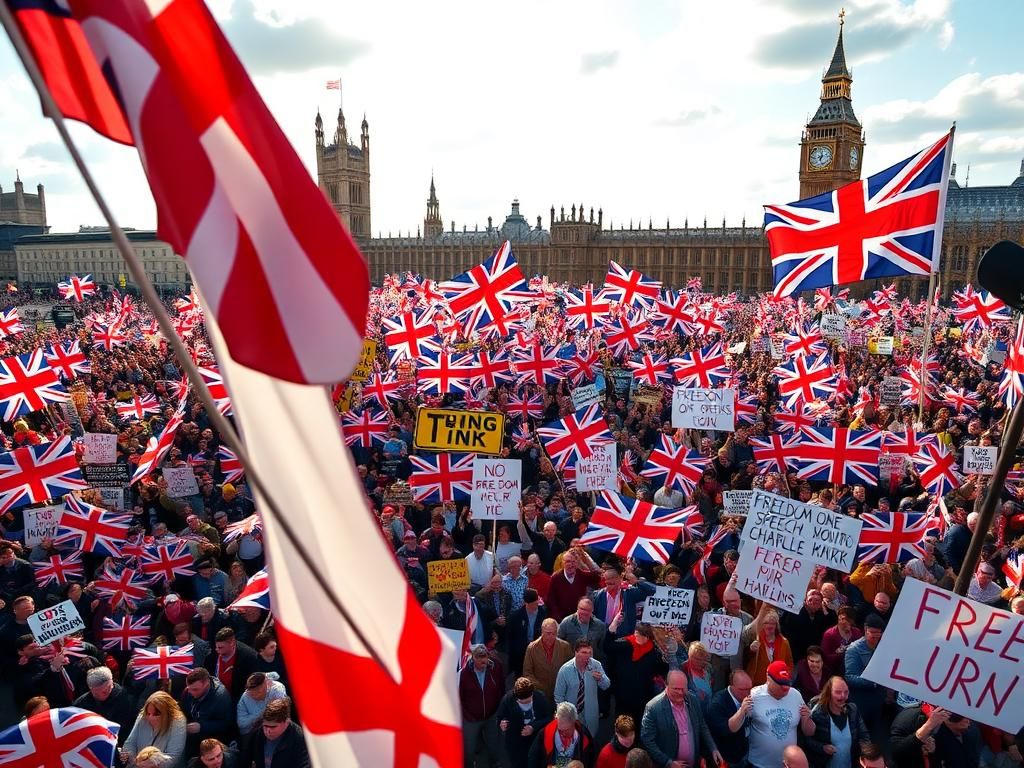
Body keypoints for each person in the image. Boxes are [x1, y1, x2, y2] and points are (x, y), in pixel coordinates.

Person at [640, 669, 722, 768]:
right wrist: (668, 763)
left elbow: (702, 725)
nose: (680, 692)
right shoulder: (653, 708)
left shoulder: (693, 700)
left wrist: (713, 748)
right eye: (676, 689)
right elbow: (647, 740)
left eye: (683, 689)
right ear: (666, 685)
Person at [747, 660, 815, 768]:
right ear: (768, 679)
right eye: (780, 684)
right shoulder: (754, 696)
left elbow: (809, 732)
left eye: (787, 683)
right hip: (759, 764)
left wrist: (807, 719)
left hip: (787, 765)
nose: (785, 689)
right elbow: (738, 728)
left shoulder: (796, 695)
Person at [605, 622, 668, 726]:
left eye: (642, 634)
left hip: (643, 696)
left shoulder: (654, 651)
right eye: (637, 633)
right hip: (623, 695)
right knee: (622, 725)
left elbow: (662, 669)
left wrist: (668, 652)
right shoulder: (625, 643)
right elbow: (608, 647)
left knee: (639, 724)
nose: (638, 636)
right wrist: (613, 627)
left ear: (648, 637)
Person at [805, 676, 870, 768]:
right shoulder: (817, 714)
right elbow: (807, 740)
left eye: (846, 692)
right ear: (829, 693)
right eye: (838, 692)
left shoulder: (853, 710)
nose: (843, 696)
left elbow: (864, 735)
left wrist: (867, 753)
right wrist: (822, 748)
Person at [890, 703, 981, 768]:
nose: (968, 725)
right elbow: (895, 752)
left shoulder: (971, 731)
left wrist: (932, 752)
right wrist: (924, 731)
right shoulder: (908, 718)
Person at [458, 643, 505, 767]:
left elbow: (501, 688)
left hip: (491, 716)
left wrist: (498, 711)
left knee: (494, 743)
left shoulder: (496, 667)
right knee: (469, 748)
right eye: (479, 659)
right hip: (471, 719)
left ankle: (495, 763)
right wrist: (466, 715)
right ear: (473, 658)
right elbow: (459, 697)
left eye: (485, 658)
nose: (483, 662)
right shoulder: (464, 674)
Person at [553, 638, 610, 739]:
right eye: (584, 652)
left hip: (591, 712)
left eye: (589, 652)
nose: (587, 656)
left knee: (590, 740)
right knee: (573, 740)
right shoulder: (565, 670)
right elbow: (559, 696)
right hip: (572, 714)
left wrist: (601, 678)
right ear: (576, 652)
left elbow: (606, 685)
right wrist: (562, 715)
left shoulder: (596, 665)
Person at [496, 677, 552, 768]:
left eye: (528, 701)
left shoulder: (540, 698)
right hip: (516, 744)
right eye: (521, 702)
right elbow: (500, 717)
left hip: (536, 741)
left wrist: (533, 727)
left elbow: (549, 718)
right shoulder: (507, 700)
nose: (525, 704)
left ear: (532, 694)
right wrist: (502, 723)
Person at [844, 614, 886, 734]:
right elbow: (850, 677)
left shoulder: (882, 646)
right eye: (872, 633)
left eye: (878, 634)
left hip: (878, 699)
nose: (875, 637)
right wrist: (872, 681)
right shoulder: (854, 649)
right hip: (861, 701)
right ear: (865, 629)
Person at [74, 666, 137, 746]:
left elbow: (130, 728)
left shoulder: (126, 699)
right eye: (98, 692)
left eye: (108, 688)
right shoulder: (80, 706)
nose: (105, 692)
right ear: (91, 688)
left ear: (111, 682)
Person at [122, 691, 188, 768]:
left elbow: (174, 756)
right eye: (148, 713)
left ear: (167, 714)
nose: (150, 717)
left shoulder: (178, 722)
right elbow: (130, 743)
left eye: (156, 714)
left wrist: (152, 764)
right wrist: (135, 762)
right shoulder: (142, 717)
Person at [179, 667, 234, 758]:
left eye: (196, 690)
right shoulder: (187, 692)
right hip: (191, 736)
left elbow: (225, 724)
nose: (191, 693)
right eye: (189, 689)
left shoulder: (220, 698)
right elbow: (183, 710)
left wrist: (202, 726)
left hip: (213, 739)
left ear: (206, 683)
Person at [240, 697, 310, 768]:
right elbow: (245, 758)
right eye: (265, 726)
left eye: (273, 727)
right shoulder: (257, 730)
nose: (268, 731)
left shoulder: (299, 738)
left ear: (287, 722)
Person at [592, 565, 658, 637]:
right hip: (604, 636)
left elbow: (654, 591)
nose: (610, 587)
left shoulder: (628, 593)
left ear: (619, 579)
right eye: (607, 583)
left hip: (624, 637)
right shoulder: (597, 596)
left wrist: (636, 581)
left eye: (613, 582)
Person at [706, 669, 753, 768]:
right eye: (743, 690)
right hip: (727, 758)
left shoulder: (748, 696)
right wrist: (742, 711)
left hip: (744, 753)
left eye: (750, 688)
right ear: (732, 686)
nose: (748, 693)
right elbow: (729, 729)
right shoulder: (718, 704)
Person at [528, 701, 594, 768]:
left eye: (567, 730)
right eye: (560, 730)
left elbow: (592, 759)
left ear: (575, 722)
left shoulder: (584, 734)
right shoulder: (544, 734)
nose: (563, 734)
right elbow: (533, 759)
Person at [523, 618, 573, 702]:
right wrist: (540, 687)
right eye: (548, 633)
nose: (551, 636)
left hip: (561, 693)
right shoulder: (532, 648)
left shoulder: (565, 647)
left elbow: (571, 669)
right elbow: (527, 673)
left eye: (554, 633)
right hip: (539, 694)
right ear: (542, 632)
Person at [204, 627, 258, 703]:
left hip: (237, 699)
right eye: (216, 647)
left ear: (232, 643)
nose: (217, 650)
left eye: (220, 648)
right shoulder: (214, 653)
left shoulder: (249, 657)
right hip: (215, 696)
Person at [743, 606, 794, 685]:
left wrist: (785, 678)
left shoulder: (784, 642)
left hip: (777, 684)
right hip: (757, 684)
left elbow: (789, 664)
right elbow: (745, 659)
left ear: (777, 625)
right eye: (766, 623)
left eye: (772, 623)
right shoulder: (755, 639)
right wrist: (751, 650)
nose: (769, 626)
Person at [546, 549, 602, 622]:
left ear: (577, 563)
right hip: (561, 620)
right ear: (563, 563)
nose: (570, 564)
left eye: (573, 562)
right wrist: (558, 619)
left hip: (579, 619)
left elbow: (598, 576)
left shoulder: (582, 575)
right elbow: (551, 601)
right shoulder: (555, 577)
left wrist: (585, 559)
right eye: (568, 561)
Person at [235, 672, 287, 742]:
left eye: (258, 692)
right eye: (251, 692)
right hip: (252, 737)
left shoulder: (276, 690)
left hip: (275, 733)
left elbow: (279, 716)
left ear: (266, 685)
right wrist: (263, 712)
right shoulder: (245, 697)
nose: (253, 695)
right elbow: (242, 724)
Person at [507, 588, 547, 677]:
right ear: (525, 603)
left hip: (538, 650)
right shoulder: (516, 616)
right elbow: (511, 638)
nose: (535, 606)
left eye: (536, 603)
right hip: (521, 653)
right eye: (532, 604)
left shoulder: (543, 613)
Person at [819, 606, 861, 677]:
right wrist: (841, 654)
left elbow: (861, 649)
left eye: (847, 619)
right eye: (842, 618)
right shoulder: (829, 634)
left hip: (853, 668)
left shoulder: (857, 632)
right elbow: (825, 657)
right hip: (835, 671)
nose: (844, 622)